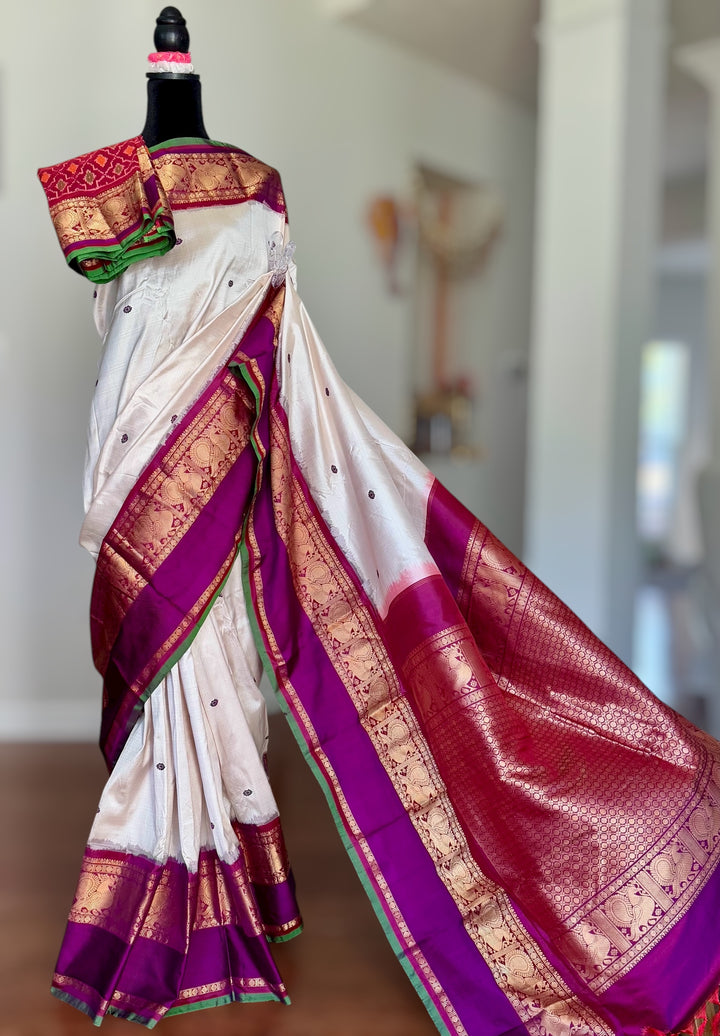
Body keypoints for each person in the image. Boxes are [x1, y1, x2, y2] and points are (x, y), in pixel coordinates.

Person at [39, 121, 720, 1036]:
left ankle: (215, 913)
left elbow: (277, 338)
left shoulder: (258, 187)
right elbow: (125, 320)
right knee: (174, 676)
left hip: (217, 460)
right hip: (132, 466)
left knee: (220, 667)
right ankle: (179, 905)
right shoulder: (116, 183)